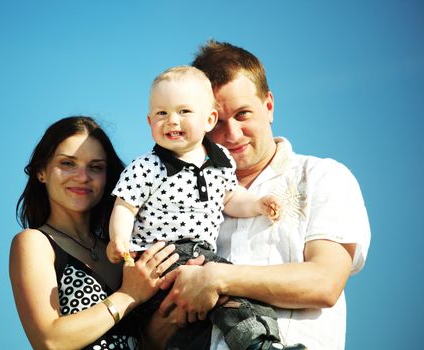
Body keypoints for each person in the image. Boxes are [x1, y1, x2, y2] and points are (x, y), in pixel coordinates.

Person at [154, 41, 371, 350]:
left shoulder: (322, 176)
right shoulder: (176, 197)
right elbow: (150, 335)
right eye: (218, 121)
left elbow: (325, 282)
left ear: (268, 106)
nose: (232, 135)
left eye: (243, 114)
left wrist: (216, 279)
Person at [107, 66, 305, 350]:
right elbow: (125, 206)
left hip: (200, 254)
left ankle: (262, 343)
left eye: (184, 111)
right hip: (164, 254)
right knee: (231, 288)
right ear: (149, 120)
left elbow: (230, 198)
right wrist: (119, 239)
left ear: (209, 119)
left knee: (221, 306)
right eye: (161, 113)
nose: (172, 120)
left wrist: (257, 204)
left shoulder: (220, 160)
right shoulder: (147, 166)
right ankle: (259, 345)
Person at [9, 116, 180, 350]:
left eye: (95, 167)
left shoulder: (122, 249)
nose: (82, 177)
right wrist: (128, 296)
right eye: (67, 163)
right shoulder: (35, 243)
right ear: (41, 171)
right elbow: (49, 340)